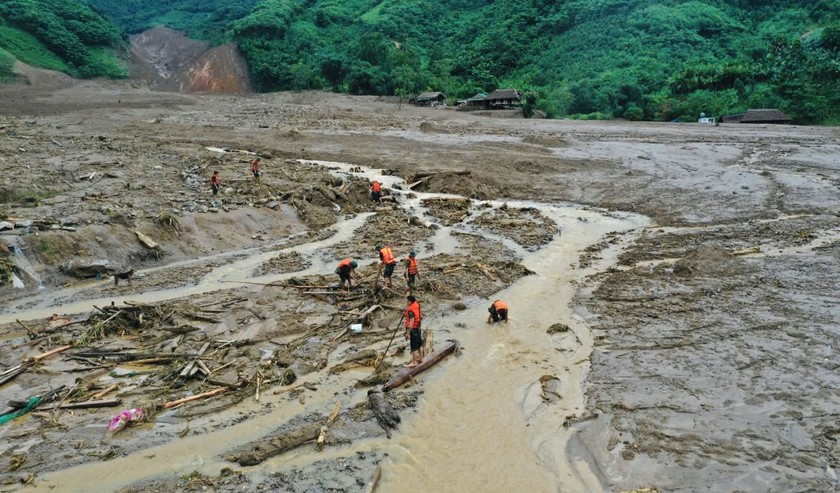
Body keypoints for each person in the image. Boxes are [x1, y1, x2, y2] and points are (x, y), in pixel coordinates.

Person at [404, 295, 423, 367]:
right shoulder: (416, 305)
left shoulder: (411, 311)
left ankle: (414, 362)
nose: (406, 302)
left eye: (407, 301)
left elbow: (411, 321)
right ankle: (421, 359)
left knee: (414, 346)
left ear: (410, 301)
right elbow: (421, 316)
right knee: (419, 344)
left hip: (414, 329)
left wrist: (408, 333)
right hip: (418, 328)